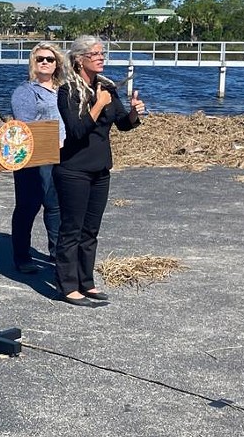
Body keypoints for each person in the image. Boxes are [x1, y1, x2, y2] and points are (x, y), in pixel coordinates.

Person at [53, 35, 145, 306]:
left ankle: (86, 281)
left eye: (102, 53)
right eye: (95, 54)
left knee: (91, 230)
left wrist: (134, 113)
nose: (101, 58)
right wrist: (98, 104)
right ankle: (67, 285)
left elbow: (123, 125)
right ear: (80, 60)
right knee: (71, 229)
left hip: (100, 168)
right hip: (73, 169)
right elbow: (77, 130)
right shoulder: (68, 91)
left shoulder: (106, 88)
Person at [10, 42, 66, 273]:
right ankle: (22, 256)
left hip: (61, 154)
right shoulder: (26, 91)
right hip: (33, 156)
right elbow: (24, 126)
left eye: (50, 59)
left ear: (57, 64)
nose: (45, 62)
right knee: (28, 206)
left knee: (55, 206)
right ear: (33, 63)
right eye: (40, 58)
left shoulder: (63, 89)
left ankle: (57, 253)